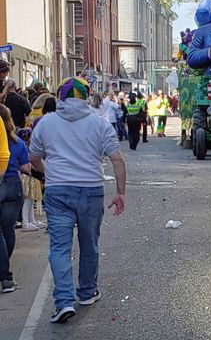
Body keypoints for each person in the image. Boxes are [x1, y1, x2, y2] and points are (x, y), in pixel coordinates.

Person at [29, 77, 126, 323]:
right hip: (91, 190)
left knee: (59, 248)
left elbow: (34, 157)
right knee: (89, 244)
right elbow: (117, 159)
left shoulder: (46, 123)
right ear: (86, 98)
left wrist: (47, 172)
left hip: (58, 191)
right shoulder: (100, 123)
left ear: (60, 98)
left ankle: (63, 301)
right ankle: (87, 292)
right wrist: (120, 193)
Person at [0, 104, 30, 293]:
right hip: (12, 185)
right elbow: (26, 167)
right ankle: (5, 271)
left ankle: (4, 273)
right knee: (8, 229)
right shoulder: (18, 143)